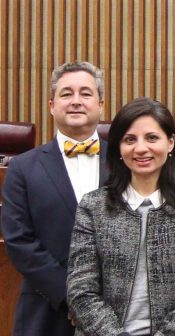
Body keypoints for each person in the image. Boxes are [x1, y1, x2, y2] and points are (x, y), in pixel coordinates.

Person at [66, 97, 175, 335]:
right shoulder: (92, 206)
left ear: (170, 143)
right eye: (129, 140)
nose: (141, 148)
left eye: (152, 138)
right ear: (118, 148)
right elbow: (81, 290)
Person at [0, 61, 108, 336]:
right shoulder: (22, 168)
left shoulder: (125, 162)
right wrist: (70, 296)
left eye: (85, 93)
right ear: (51, 105)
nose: (76, 101)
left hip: (116, 309)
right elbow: (19, 240)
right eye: (66, 94)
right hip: (46, 309)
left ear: (101, 104)